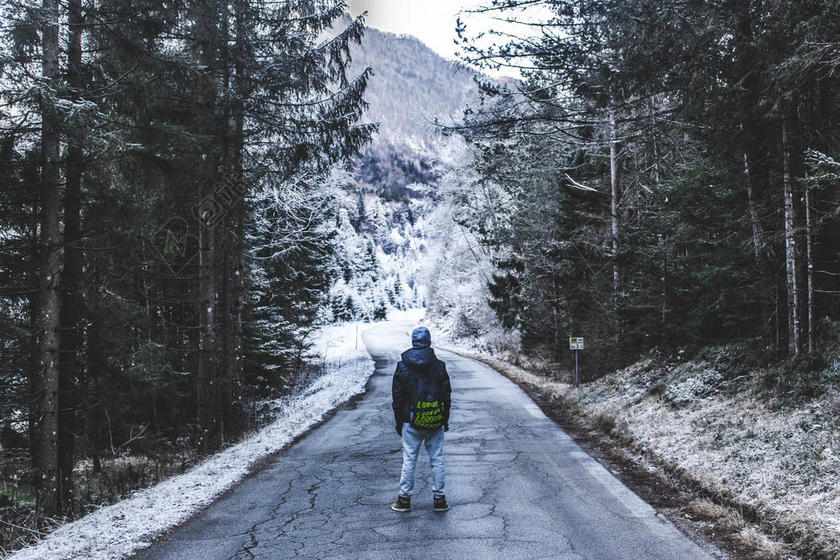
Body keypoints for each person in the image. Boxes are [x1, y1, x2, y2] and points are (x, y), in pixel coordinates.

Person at [390, 326, 451, 513]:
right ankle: (439, 499)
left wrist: (400, 422)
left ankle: (404, 499)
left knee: (409, 459)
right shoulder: (439, 366)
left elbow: (397, 398)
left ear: (413, 342)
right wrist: (444, 420)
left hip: (410, 419)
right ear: (429, 342)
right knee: (437, 459)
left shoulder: (402, 366)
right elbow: (446, 395)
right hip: (434, 420)